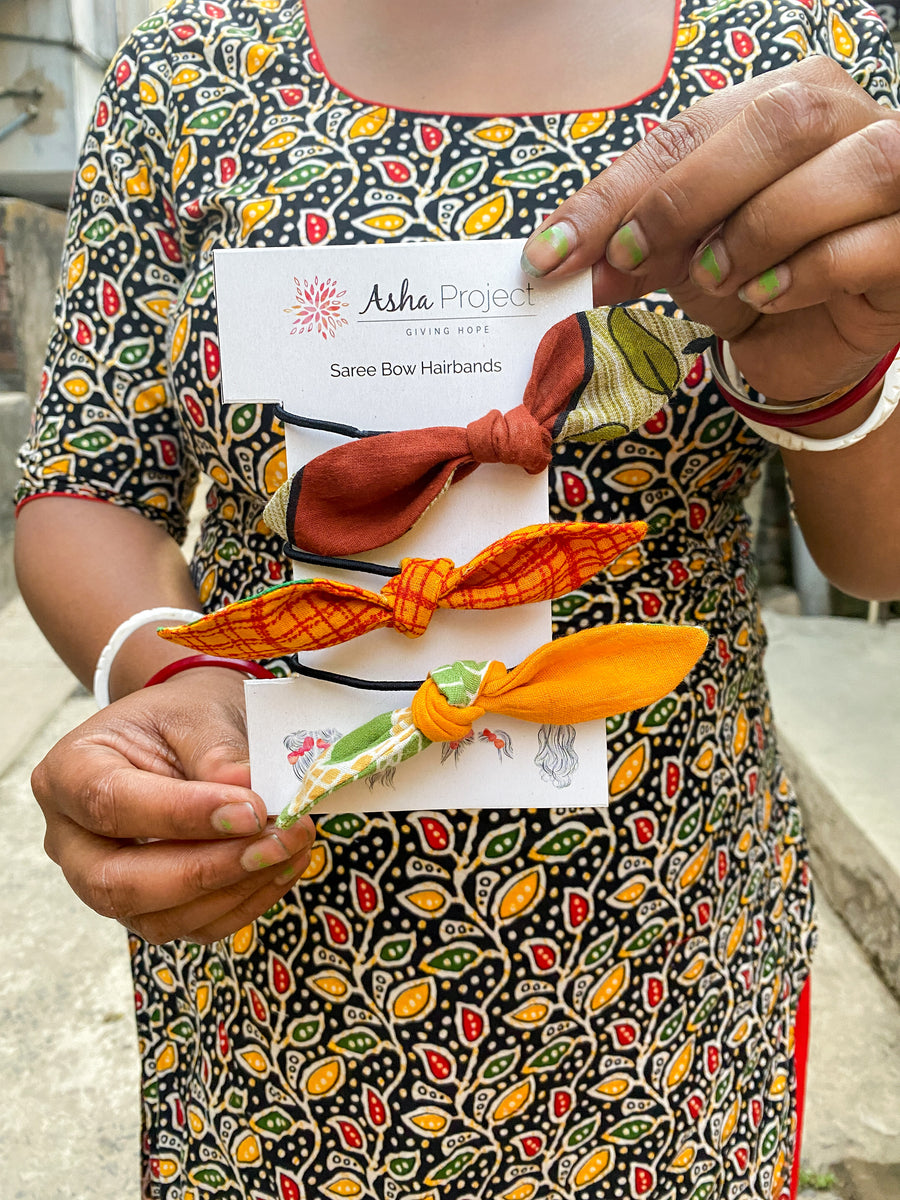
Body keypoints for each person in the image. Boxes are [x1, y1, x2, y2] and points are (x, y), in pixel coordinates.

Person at [14, 1, 900, 1197]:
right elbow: (90, 477)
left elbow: (878, 556)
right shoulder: (190, 62)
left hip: (673, 960)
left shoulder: (809, 53)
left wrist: (836, 376)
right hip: (280, 943)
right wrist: (172, 680)